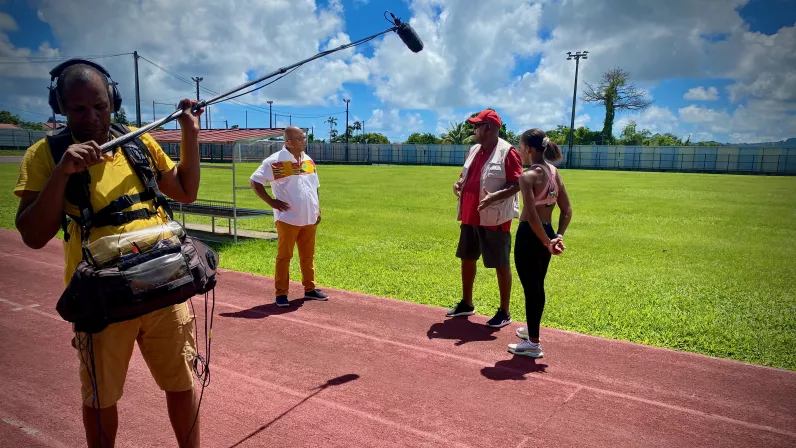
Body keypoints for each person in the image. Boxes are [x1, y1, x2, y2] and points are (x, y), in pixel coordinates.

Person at [13, 59, 204, 447]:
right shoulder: (46, 154)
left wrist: (188, 133)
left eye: (100, 106)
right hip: (101, 300)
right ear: (60, 106)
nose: (91, 118)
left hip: (164, 286)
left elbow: (185, 191)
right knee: (100, 398)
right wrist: (62, 174)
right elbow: (33, 235)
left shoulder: (138, 142)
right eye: (79, 109)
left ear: (113, 101)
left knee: (181, 383)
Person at [447, 109, 523, 328]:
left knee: (500, 262)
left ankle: (504, 311)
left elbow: (518, 183)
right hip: (470, 215)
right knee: (467, 257)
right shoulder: (473, 150)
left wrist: (494, 197)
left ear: (488, 128)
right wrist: (459, 183)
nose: (474, 130)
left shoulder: (508, 152)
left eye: (477, 126)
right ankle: (467, 303)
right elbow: (466, 175)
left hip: (495, 217)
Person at [508, 129, 572, 358]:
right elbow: (567, 210)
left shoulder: (527, 177)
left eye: (520, 146)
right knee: (537, 285)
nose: (519, 149)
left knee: (531, 288)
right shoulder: (554, 172)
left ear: (530, 149)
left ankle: (533, 343)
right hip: (547, 231)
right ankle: (531, 329)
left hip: (530, 235)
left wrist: (546, 243)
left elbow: (532, 215)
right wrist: (557, 237)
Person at [249, 125, 328, 307]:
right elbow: (255, 181)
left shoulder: (308, 160)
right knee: (284, 257)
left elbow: (315, 187)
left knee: (308, 256)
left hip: (309, 218)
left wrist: (318, 209)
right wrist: (272, 202)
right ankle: (281, 293)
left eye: (304, 138)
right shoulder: (275, 161)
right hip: (288, 219)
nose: (304, 141)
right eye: (300, 138)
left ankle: (310, 289)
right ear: (289, 142)